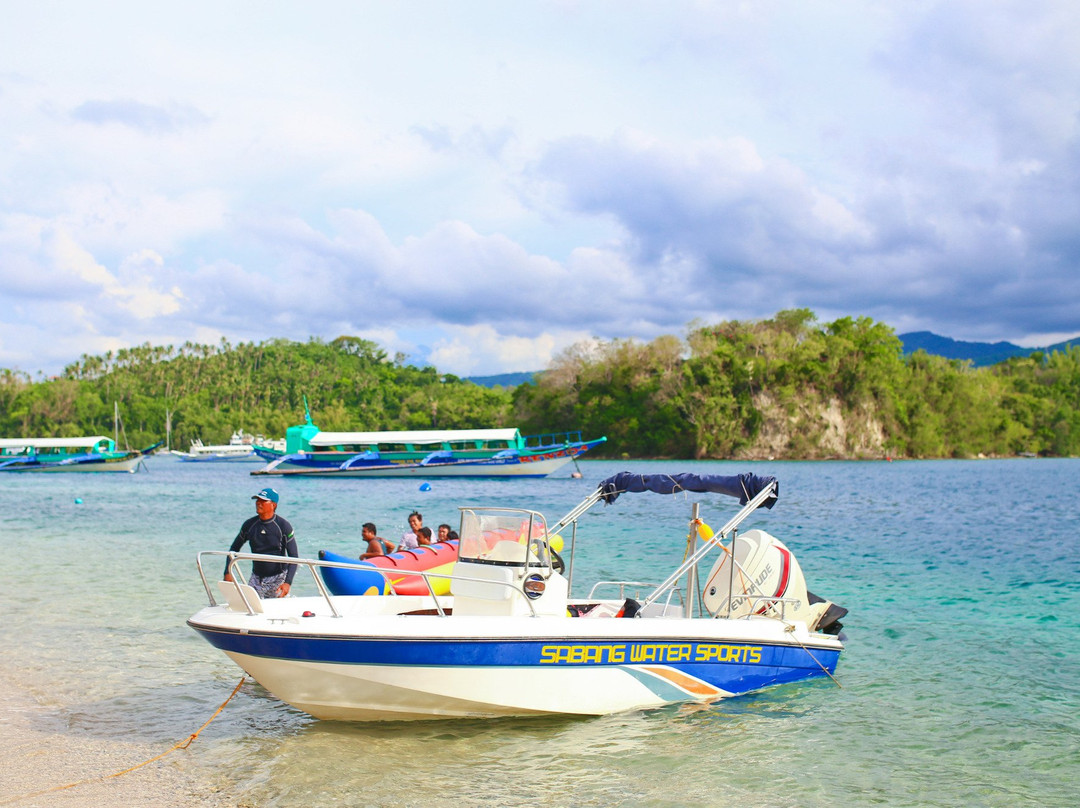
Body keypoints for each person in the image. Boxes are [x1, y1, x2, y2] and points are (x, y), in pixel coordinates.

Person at [223, 487, 298, 598]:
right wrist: (227, 572)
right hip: (256, 578)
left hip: (278, 578)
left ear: (273, 505)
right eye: (257, 500)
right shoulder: (250, 525)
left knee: (274, 612)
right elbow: (234, 549)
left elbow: (294, 557)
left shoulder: (283, 526)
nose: (258, 503)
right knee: (247, 608)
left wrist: (287, 583)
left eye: (263, 500)